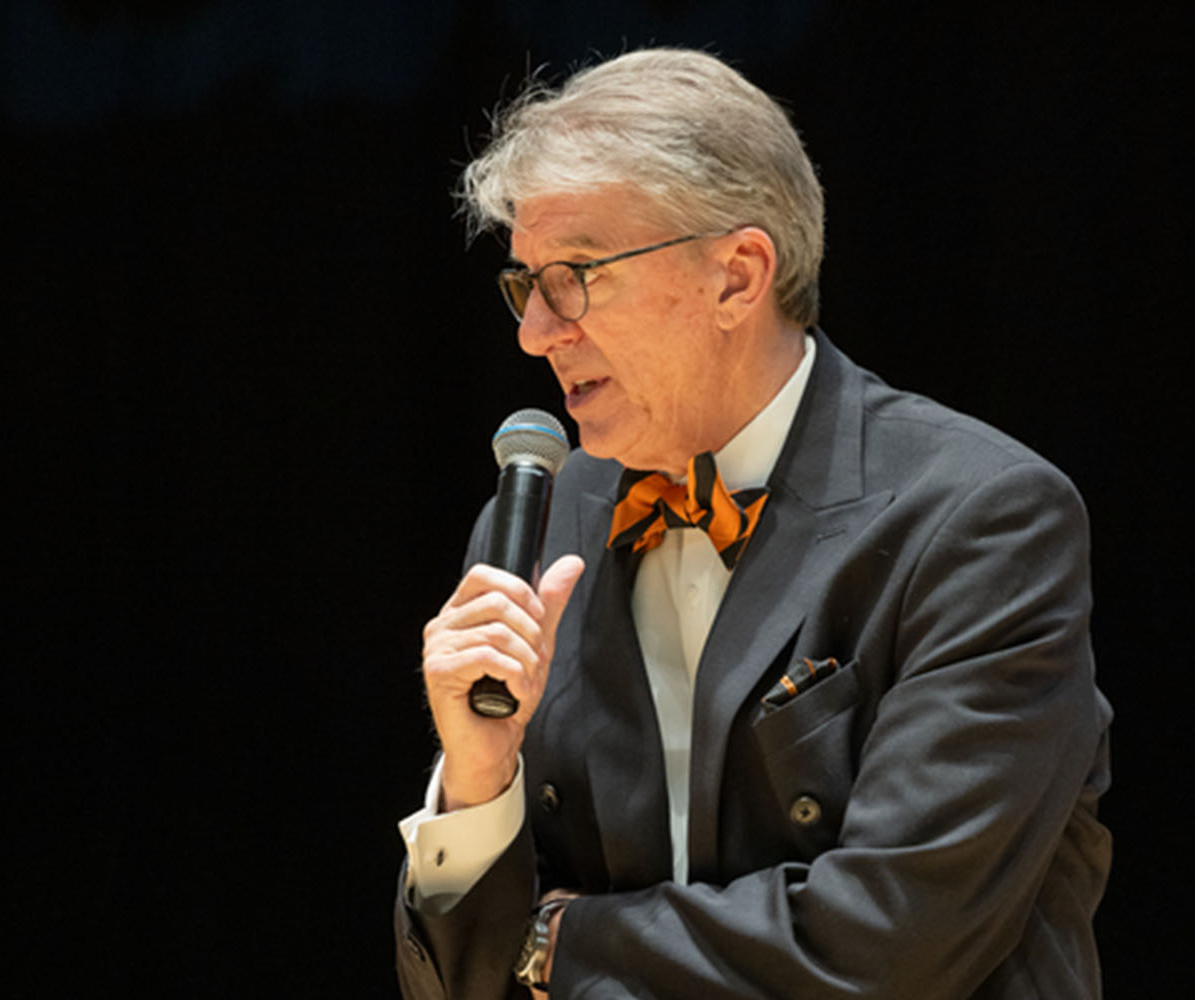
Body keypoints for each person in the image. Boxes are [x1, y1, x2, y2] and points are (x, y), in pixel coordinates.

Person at [395, 48, 1111, 999]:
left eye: (574, 275)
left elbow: (889, 946)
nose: (535, 332)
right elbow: (457, 982)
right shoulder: (539, 525)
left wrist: (553, 947)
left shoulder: (981, 519)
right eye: (526, 283)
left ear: (737, 276)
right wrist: (477, 779)